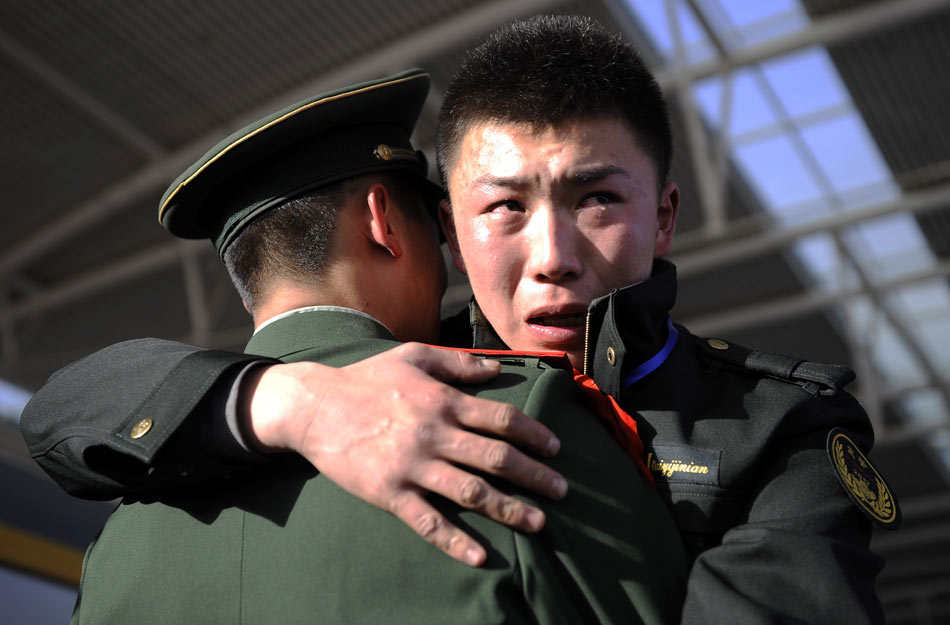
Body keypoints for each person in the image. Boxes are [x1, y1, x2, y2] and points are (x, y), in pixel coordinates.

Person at [22, 15, 896, 624]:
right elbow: (64, 415)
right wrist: (294, 403)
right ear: (447, 227)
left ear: (664, 214)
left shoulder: (780, 429)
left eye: (596, 198)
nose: (552, 252)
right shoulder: (380, 377)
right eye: (505, 207)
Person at [70, 68, 688, 624]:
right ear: (383, 222)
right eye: (432, 220)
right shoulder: (514, 420)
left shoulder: (124, 529)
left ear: (247, 288)